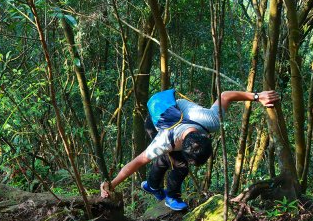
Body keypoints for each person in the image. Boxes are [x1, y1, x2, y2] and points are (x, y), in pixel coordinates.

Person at [100, 90, 280, 210]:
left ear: (206, 137)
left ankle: (151, 186)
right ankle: (170, 196)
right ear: (181, 146)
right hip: (156, 119)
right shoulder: (164, 142)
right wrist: (112, 184)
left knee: (168, 160)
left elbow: (225, 96)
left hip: (178, 114)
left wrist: (258, 96)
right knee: (179, 165)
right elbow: (134, 164)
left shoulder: (211, 121)